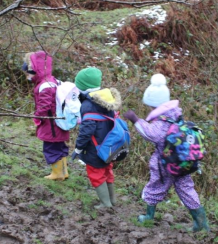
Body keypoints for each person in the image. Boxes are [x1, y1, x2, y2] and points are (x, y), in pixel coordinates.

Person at [123, 73, 209, 232]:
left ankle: (148, 216)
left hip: (166, 162)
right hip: (182, 160)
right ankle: (201, 223)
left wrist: (135, 120)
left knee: (156, 186)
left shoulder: (161, 121)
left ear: (154, 105)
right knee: (186, 189)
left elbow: (151, 134)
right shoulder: (175, 114)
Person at [71, 67, 122, 209]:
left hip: (96, 148)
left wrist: (79, 148)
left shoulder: (88, 105)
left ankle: (105, 204)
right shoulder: (107, 99)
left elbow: (87, 130)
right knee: (107, 171)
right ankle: (112, 200)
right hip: (110, 146)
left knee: (96, 173)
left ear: (82, 87)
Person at [22, 51, 69, 180]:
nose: (28, 76)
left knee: (51, 147)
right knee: (59, 146)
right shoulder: (52, 80)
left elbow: (44, 105)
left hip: (51, 124)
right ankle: (63, 171)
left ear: (34, 69)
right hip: (58, 123)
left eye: (29, 72)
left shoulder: (45, 85)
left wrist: (37, 117)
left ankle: (57, 173)